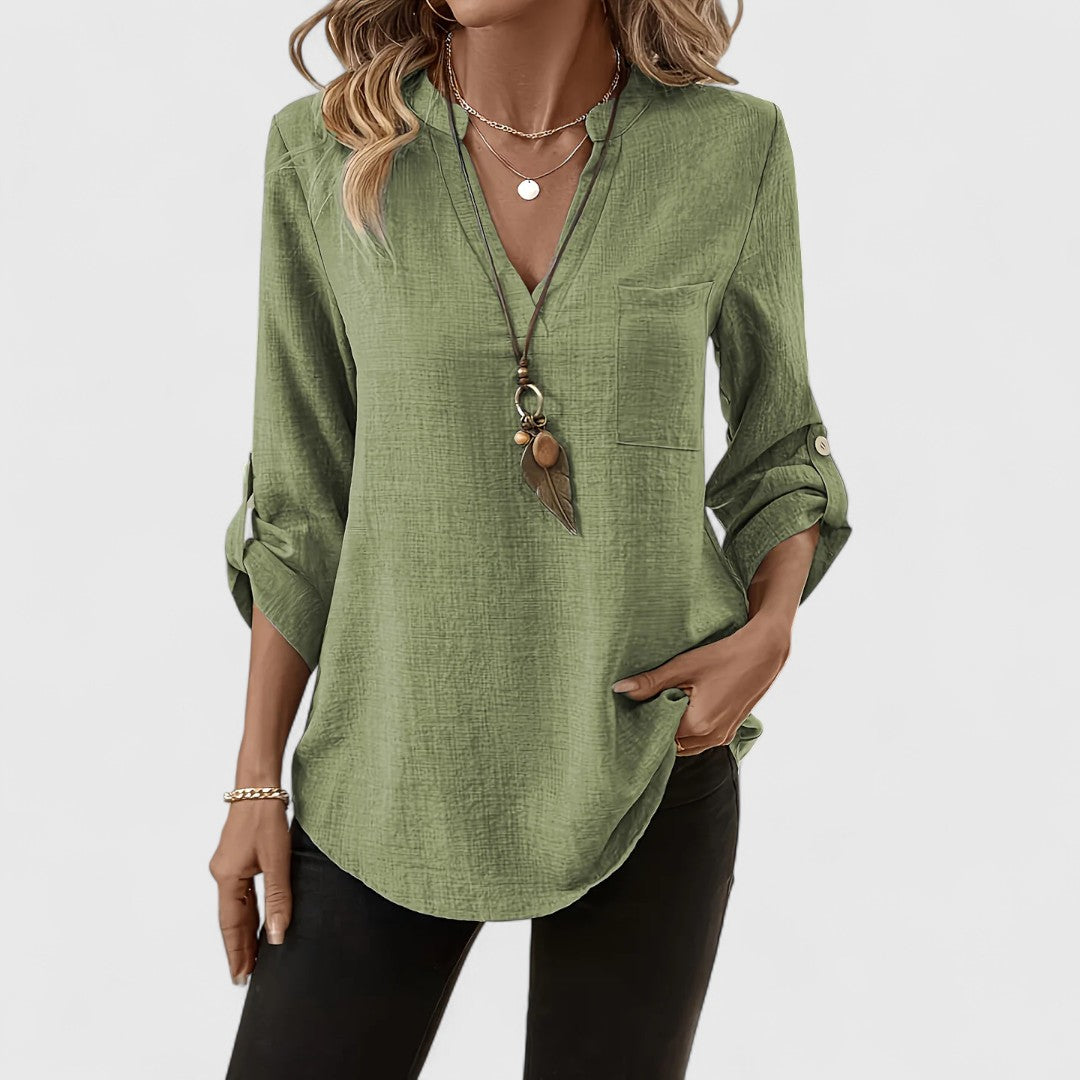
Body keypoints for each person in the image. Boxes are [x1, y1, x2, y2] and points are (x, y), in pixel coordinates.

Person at [211, 1, 852, 1076]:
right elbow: (300, 500)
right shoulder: (324, 150)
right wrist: (254, 782)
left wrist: (770, 629)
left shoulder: (730, 148)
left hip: (646, 752)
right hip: (389, 765)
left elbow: (780, 442)